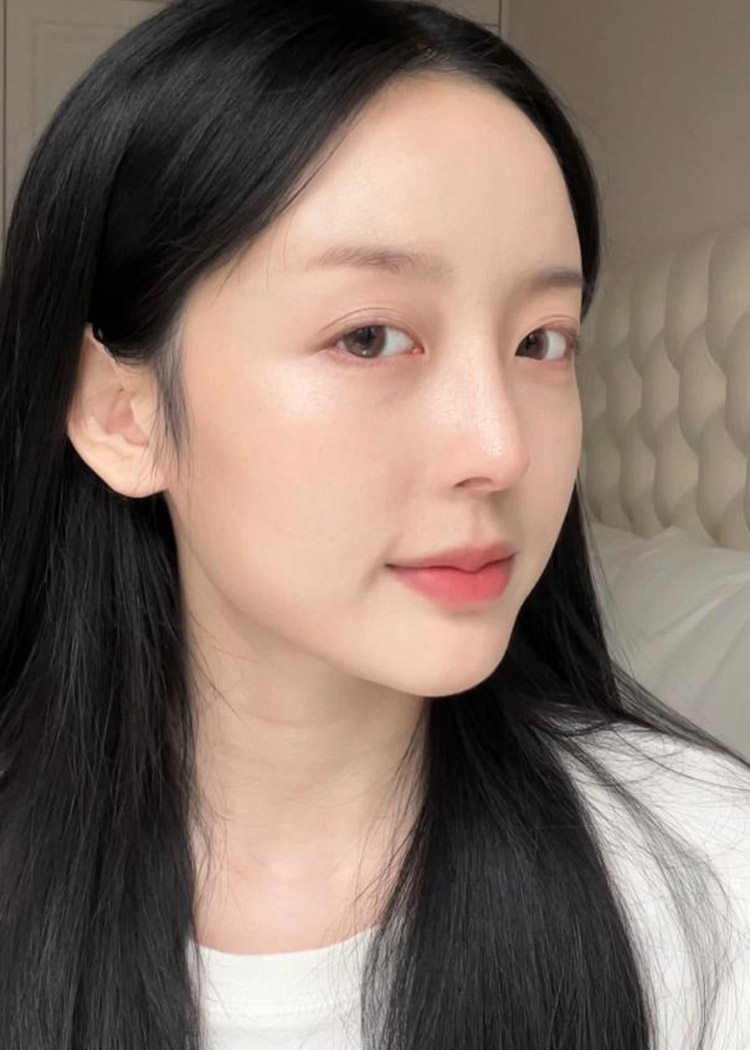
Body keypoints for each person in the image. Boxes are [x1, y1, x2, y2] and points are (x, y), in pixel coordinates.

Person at [0, 0, 747, 1047]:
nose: (500, 449)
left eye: (541, 341)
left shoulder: (707, 877)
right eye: (370, 337)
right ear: (126, 416)